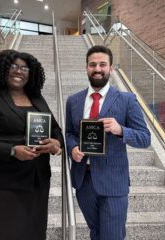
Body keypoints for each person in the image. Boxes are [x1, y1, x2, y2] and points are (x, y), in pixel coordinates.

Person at [0, 49, 63, 240]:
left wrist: (56, 144)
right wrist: (11, 150)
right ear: (2, 69)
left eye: (25, 68)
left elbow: (56, 130)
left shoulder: (38, 100)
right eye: (13, 66)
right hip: (5, 183)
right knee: (7, 232)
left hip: (38, 180)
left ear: (31, 73)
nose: (19, 71)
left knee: (35, 231)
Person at [65, 45, 151, 240]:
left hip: (113, 182)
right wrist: (72, 148)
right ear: (86, 68)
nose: (97, 68)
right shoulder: (73, 101)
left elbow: (145, 138)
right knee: (95, 234)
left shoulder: (127, 100)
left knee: (112, 236)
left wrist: (120, 130)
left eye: (102, 64)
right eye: (92, 64)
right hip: (84, 181)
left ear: (110, 68)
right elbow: (69, 133)